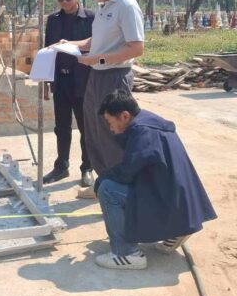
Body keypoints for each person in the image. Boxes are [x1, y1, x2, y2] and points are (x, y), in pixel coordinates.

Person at [93, 91, 217, 270]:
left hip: (168, 202)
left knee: (108, 189)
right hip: (180, 204)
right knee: (113, 183)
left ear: (125, 116)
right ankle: (177, 229)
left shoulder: (142, 132)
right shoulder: (151, 121)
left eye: (110, 122)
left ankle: (126, 253)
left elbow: (127, 173)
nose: (110, 128)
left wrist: (101, 179)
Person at [62, 0, 145, 198]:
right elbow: (95, 41)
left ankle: (119, 189)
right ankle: (104, 184)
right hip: (97, 76)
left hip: (114, 77)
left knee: (113, 133)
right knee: (94, 131)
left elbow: (136, 48)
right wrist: (70, 44)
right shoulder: (105, 6)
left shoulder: (126, 6)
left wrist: (98, 59)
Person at [43, 0, 96, 187]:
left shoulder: (91, 19)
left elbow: (96, 47)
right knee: (61, 126)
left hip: (83, 81)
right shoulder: (53, 20)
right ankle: (61, 166)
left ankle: (87, 168)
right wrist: (46, 82)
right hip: (61, 81)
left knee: (86, 127)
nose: (64, 2)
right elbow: (48, 51)